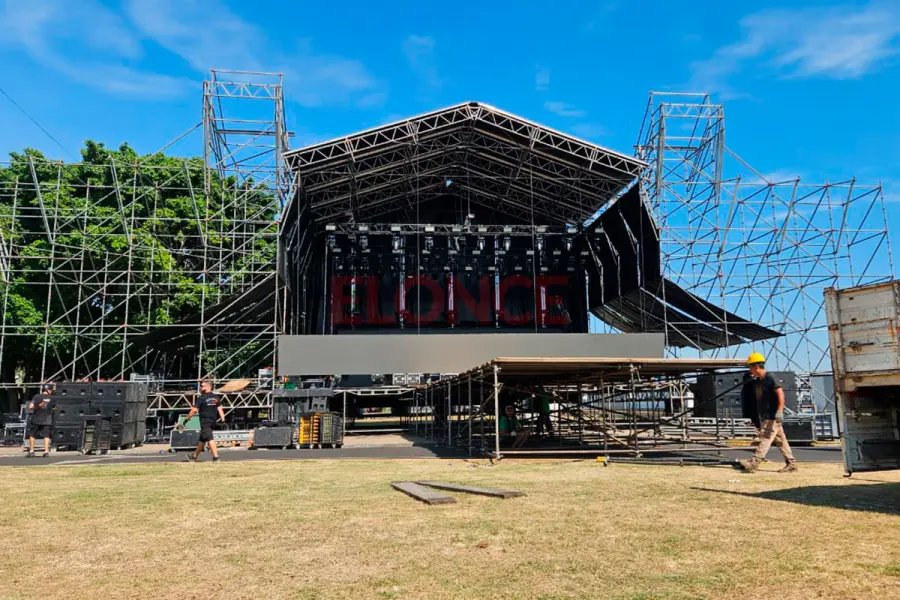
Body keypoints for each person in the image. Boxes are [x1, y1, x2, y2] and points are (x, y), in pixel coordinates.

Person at [739, 353, 797, 473]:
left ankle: (754, 463)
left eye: (750, 367)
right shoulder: (759, 380)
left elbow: (780, 393)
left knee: (765, 438)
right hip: (767, 415)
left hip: (773, 416)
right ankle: (791, 463)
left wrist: (779, 411)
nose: (750, 370)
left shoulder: (770, 377)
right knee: (781, 441)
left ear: (756, 367)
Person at [183, 380, 225, 462]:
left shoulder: (202, 398)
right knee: (202, 439)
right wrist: (223, 420)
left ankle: (216, 457)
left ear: (208, 387)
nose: (200, 388)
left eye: (202, 386)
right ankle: (194, 457)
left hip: (205, 421)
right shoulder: (216, 397)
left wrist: (187, 418)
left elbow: (194, 410)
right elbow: (220, 409)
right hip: (212, 421)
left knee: (209, 438)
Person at [26, 383, 56, 458]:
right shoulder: (52, 398)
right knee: (46, 435)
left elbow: (30, 407)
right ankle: (46, 452)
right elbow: (55, 408)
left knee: (32, 434)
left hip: (37, 418)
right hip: (47, 419)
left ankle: (32, 451)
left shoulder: (37, 396)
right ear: (49, 390)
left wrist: (37, 407)